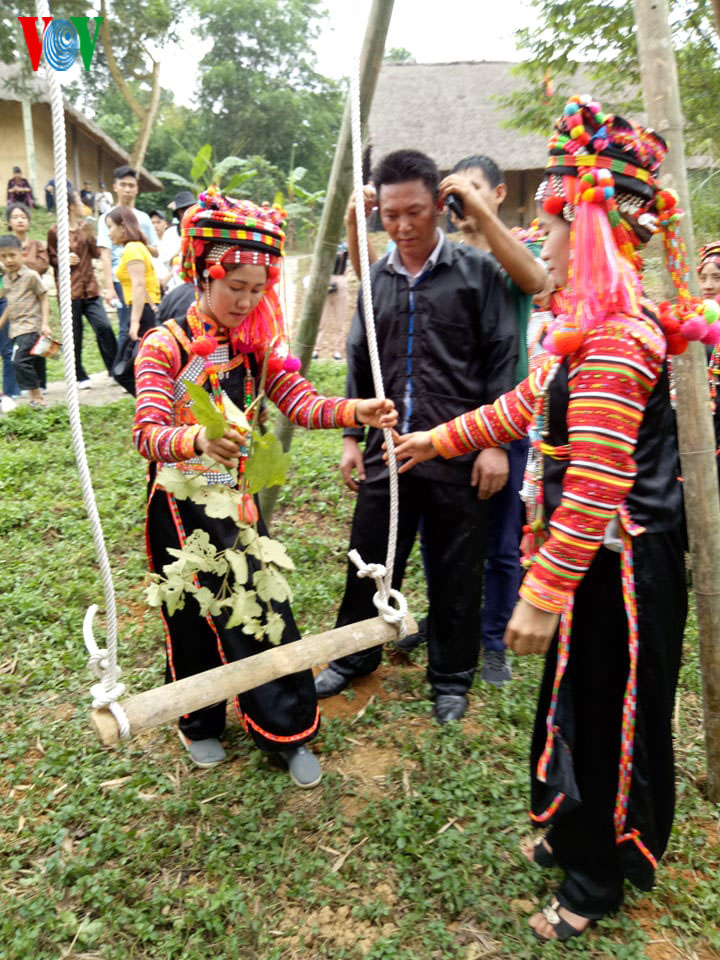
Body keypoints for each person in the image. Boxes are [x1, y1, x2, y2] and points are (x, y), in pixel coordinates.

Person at [393, 96, 688, 942]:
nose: (542, 240)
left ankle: (596, 879)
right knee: (576, 698)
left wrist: (540, 593)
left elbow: (596, 480)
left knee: (606, 714)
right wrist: (434, 439)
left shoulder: (619, 340)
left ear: (591, 234)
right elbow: (521, 408)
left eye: (553, 225)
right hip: (592, 561)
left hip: (620, 566)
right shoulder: (582, 329)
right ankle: (571, 833)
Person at [132, 188, 396, 786]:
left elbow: (299, 402)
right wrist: (196, 440)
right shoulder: (164, 345)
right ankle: (198, 723)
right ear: (204, 273)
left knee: (265, 607)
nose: (247, 301)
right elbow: (147, 433)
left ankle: (287, 728)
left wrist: (357, 410)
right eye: (236, 288)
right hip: (179, 505)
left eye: (258, 290)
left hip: (240, 503)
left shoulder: (255, 343)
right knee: (194, 615)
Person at [313, 149, 517, 724]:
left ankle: (452, 677)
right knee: (370, 560)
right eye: (392, 214)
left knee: (458, 567)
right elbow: (359, 354)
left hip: (460, 450)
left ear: (440, 206)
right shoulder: (374, 279)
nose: (403, 226)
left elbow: (504, 360)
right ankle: (353, 658)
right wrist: (352, 439)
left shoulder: (478, 274)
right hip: (386, 450)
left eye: (416, 212)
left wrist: (497, 444)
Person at [47, 192, 118, 389]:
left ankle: (115, 370)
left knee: (104, 326)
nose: (82, 205)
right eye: (78, 201)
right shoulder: (55, 231)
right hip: (70, 291)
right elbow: (50, 258)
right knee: (74, 335)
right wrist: (62, 260)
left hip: (91, 289)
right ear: (70, 206)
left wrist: (94, 234)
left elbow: (96, 253)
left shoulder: (85, 227)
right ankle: (79, 376)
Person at [96, 165, 159, 360]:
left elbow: (155, 250)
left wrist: (137, 243)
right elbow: (105, 254)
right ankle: (124, 367)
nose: (127, 189)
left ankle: (126, 368)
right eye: (123, 185)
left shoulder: (143, 219)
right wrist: (109, 287)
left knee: (134, 326)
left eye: (131, 185)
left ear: (137, 188)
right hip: (119, 277)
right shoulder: (107, 218)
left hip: (139, 276)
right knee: (127, 325)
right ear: (115, 187)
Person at [105, 205, 161, 395]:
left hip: (142, 312)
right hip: (142, 310)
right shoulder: (137, 247)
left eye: (110, 227)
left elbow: (139, 286)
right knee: (139, 367)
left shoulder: (132, 249)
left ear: (123, 226)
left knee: (123, 371)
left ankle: (156, 403)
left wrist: (134, 322)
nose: (109, 233)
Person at [0, 234, 51, 407]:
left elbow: (44, 298)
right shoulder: (6, 280)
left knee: (19, 361)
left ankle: (37, 397)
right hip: (16, 328)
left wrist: (45, 324)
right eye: (3, 256)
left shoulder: (31, 276)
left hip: (31, 326)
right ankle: (36, 396)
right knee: (26, 362)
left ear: (22, 253)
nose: (8, 260)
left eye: (12, 255)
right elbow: (9, 303)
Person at [313, 242, 349, 361]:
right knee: (321, 319)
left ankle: (337, 350)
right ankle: (316, 349)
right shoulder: (325, 245)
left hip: (340, 279)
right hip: (326, 279)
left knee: (341, 319)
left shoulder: (345, 246)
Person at [160, 190, 196, 292]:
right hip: (175, 287)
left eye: (192, 208)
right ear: (179, 213)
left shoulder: (200, 232)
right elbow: (167, 261)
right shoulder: (170, 234)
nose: (189, 212)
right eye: (185, 210)